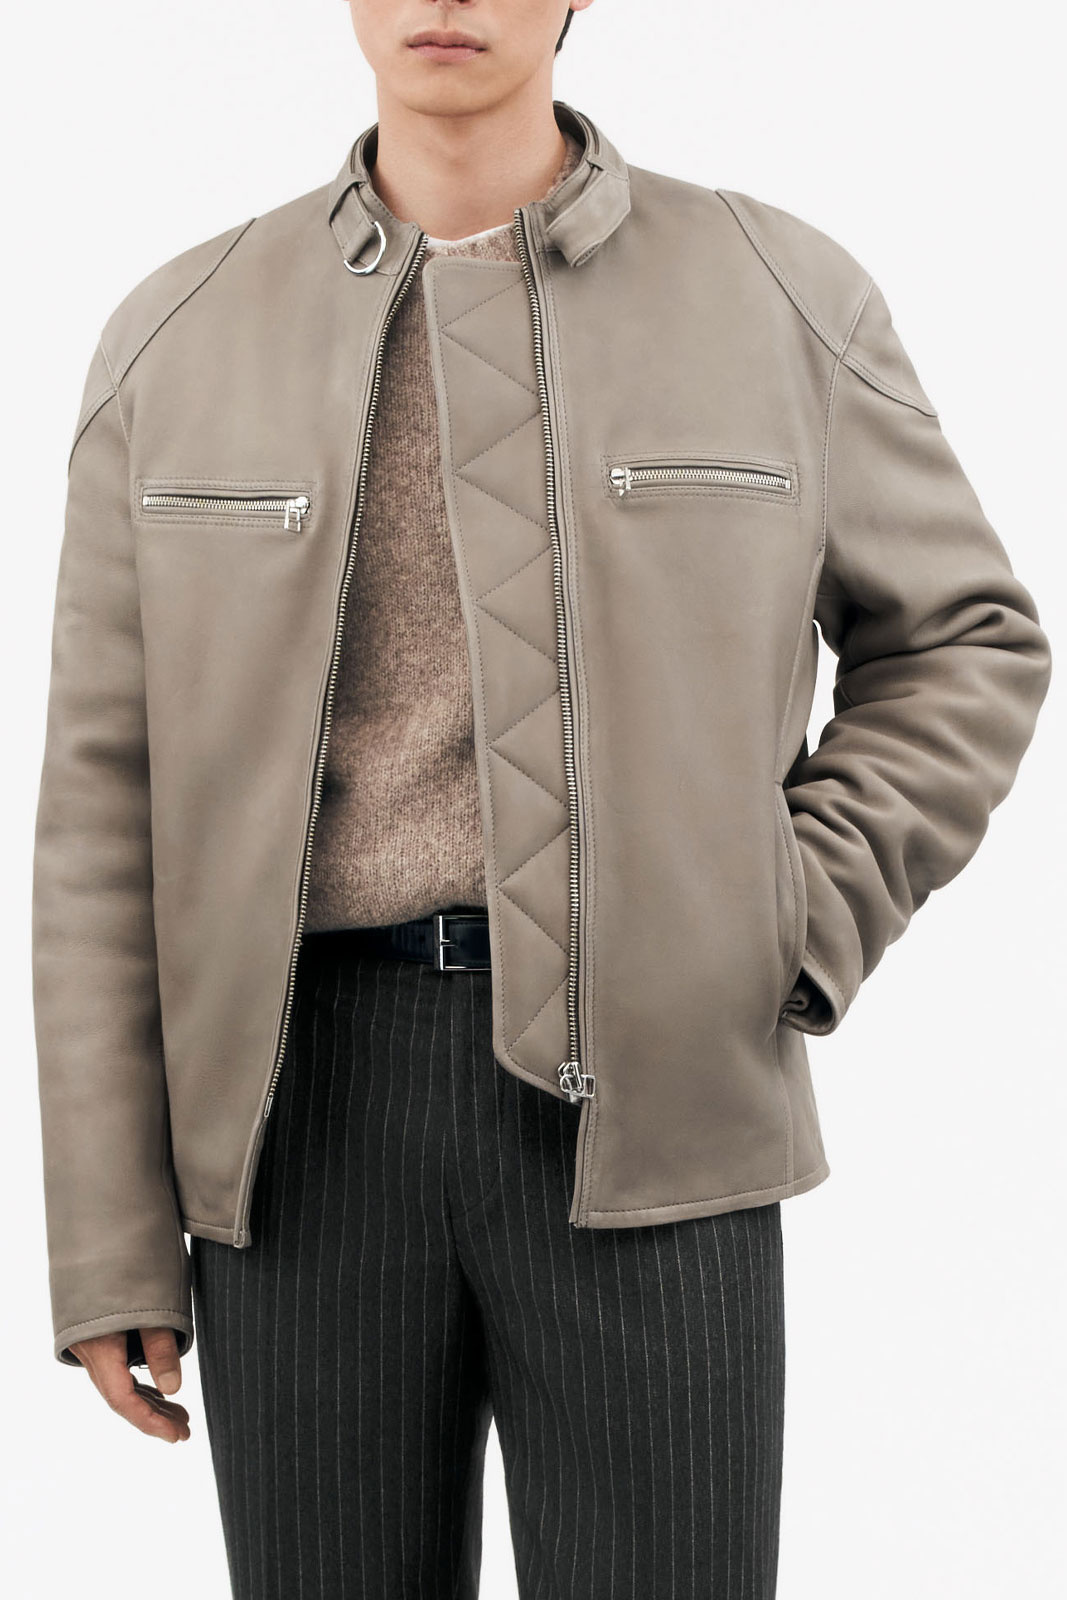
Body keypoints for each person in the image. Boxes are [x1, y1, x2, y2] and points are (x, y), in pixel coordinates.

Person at [31, 2, 1052, 1596]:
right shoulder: (180, 333)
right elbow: (101, 809)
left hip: (663, 1113)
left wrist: (790, 915)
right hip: (296, 1128)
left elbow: (965, 642)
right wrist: (108, 1234)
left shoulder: (776, 293)